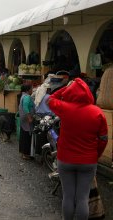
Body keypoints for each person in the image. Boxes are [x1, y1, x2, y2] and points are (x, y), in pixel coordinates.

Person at [47, 78, 108, 220]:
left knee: (68, 196)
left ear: (70, 93)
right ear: (88, 93)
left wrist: (65, 88)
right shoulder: (97, 112)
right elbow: (103, 139)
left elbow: (50, 99)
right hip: (88, 161)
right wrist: (95, 154)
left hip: (65, 160)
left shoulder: (64, 108)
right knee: (82, 198)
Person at [18, 84, 35, 160]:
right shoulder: (27, 97)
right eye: (31, 88)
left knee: (23, 135)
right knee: (27, 136)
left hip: (23, 119)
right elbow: (25, 107)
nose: (32, 90)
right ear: (28, 90)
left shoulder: (23, 96)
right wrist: (29, 117)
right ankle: (25, 154)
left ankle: (23, 153)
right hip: (26, 119)